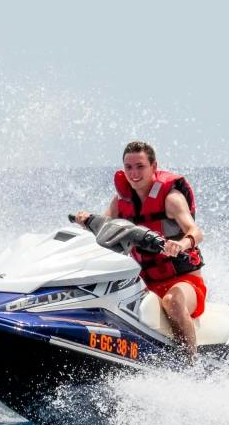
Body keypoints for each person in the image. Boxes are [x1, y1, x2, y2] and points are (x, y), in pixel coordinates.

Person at [71, 140, 207, 357]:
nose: (134, 173)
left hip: (184, 282)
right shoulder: (120, 202)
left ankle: (190, 364)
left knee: (172, 302)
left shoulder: (171, 199)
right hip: (143, 282)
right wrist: (86, 221)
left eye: (140, 166)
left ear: (154, 166)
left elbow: (195, 231)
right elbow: (103, 230)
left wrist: (181, 244)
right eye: (129, 167)